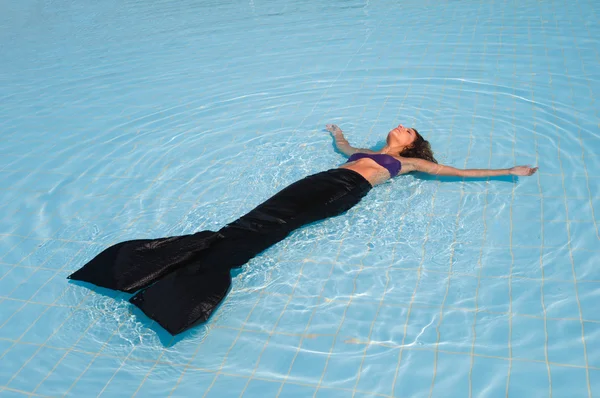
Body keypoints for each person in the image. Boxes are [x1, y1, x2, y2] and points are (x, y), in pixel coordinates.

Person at [68, 123, 538, 335]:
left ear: (414, 144)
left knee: (265, 229)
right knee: (248, 224)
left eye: (410, 128)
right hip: (321, 181)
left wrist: (505, 171)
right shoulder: (365, 153)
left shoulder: (408, 162)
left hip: (336, 193)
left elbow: (454, 173)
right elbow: (348, 148)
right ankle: (172, 270)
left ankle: (183, 282)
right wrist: (337, 138)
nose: (403, 126)